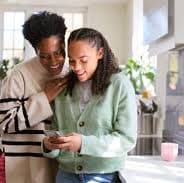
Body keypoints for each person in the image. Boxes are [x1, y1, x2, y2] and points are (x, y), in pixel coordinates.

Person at [42, 27, 137, 183]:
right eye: (72, 61)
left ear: (100, 53)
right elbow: (56, 131)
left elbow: (126, 139)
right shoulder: (64, 88)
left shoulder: (119, 85)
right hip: (66, 176)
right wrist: (49, 146)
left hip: (103, 176)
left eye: (83, 60)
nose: (76, 67)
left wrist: (83, 143)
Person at [0, 11, 68, 183]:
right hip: (16, 165)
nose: (54, 61)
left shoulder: (71, 72)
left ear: (64, 44)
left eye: (59, 52)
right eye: (45, 56)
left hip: (52, 166)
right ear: (35, 50)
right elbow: (3, 124)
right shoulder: (19, 75)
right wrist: (44, 98)